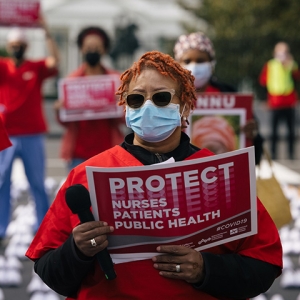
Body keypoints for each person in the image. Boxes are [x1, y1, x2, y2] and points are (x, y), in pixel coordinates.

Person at [26, 51, 282, 300]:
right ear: (125, 108)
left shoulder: (222, 175)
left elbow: (264, 264)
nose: (147, 106)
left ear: (184, 106)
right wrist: (77, 250)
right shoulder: (86, 175)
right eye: (136, 99)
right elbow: (49, 271)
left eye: (161, 98)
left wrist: (206, 269)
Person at [0, 15, 59, 239]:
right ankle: (1, 229)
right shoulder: (3, 68)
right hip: (6, 133)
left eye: (21, 45)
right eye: (14, 45)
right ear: (8, 46)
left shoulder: (35, 67)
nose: (17, 49)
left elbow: (55, 61)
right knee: (2, 181)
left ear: (26, 47)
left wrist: (46, 31)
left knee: (37, 182)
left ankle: (42, 227)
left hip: (32, 134)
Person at [174, 31, 264, 164]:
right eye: (187, 61)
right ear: (178, 65)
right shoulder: (170, 99)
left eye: (201, 61)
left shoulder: (230, 95)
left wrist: (252, 136)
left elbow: (254, 155)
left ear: (212, 63)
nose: (194, 66)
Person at [54, 26, 125, 171]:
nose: (92, 51)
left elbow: (125, 119)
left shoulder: (116, 81)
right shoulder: (71, 81)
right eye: (88, 47)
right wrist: (59, 110)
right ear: (82, 49)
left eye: (97, 47)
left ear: (104, 50)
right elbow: (65, 122)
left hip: (109, 151)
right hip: (78, 153)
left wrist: (121, 105)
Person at [259, 41, 300, 160]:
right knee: (273, 131)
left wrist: (290, 63)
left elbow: (297, 76)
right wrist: (265, 100)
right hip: (275, 103)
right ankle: (273, 154)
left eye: (285, 52)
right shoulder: (270, 65)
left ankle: (291, 154)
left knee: (291, 131)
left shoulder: (291, 64)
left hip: (289, 102)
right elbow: (263, 82)